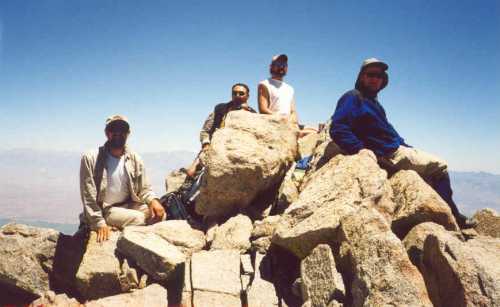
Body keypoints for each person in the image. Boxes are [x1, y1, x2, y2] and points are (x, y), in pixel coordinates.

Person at [329, 58, 475, 228]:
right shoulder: (353, 97)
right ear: (361, 77)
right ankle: (455, 217)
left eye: (379, 75)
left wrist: (407, 146)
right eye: (371, 74)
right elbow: (338, 128)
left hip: (394, 148)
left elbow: (389, 131)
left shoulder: (374, 103)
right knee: (440, 166)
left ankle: (443, 214)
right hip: (388, 154)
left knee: (426, 170)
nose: (375, 79)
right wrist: (359, 149)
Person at [79, 115, 165, 242]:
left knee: (160, 215)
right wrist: (99, 223)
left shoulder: (134, 158)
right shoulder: (91, 158)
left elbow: (144, 189)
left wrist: (153, 201)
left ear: (128, 133)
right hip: (105, 209)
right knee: (139, 219)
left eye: (122, 130)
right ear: (107, 133)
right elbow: (88, 195)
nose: (118, 133)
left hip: (129, 205)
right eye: (114, 130)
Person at [185, 83, 256, 178]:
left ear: (247, 96)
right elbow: (205, 130)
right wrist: (206, 144)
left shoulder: (253, 114)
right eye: (234, 93)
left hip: (238, 151)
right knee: (191, 172)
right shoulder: (220, 109)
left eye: (241, 93)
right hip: (214, 147)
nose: (237, 96)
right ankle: (181, 191)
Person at [258, 54, 317, 136]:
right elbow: (263, 109)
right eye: (278, 64)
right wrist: (281, 118)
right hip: (274, 123)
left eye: (284, 65)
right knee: (308, 133)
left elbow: (293, 110)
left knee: (315, 131)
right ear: (271, 66)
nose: (281, 67)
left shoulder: (289, 88)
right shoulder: (264, 84)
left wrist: (293, 122)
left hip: (289, 124)